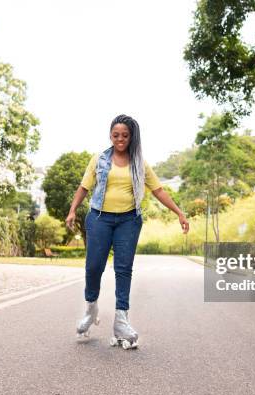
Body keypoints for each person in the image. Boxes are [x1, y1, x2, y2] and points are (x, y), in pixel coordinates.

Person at [66, 114, 189, 349]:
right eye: (115, 135)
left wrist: (179, 213)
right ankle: (91, 309)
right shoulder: (99, 160)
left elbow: (158, 190)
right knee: (94, 267)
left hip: (129, 221)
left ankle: (121, 320)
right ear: (110, 136)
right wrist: (72, 211)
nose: (120, 139)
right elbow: (84, 187)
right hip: (99, 218)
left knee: (123, 269)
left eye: (124, 135)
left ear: (131, 137)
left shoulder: (139, 163)